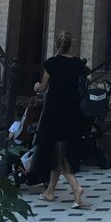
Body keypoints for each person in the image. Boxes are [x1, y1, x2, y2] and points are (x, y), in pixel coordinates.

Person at [33, 31, 85, 207]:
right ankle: (50, 192)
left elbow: (43, 87)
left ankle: (76, 188)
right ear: (71, 45)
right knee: (59, 150)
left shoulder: (51, 63)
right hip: (72, 111)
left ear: (57, 45)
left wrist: (37, 86)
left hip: (54, 112)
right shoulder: (77, 63)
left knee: (59, 152)